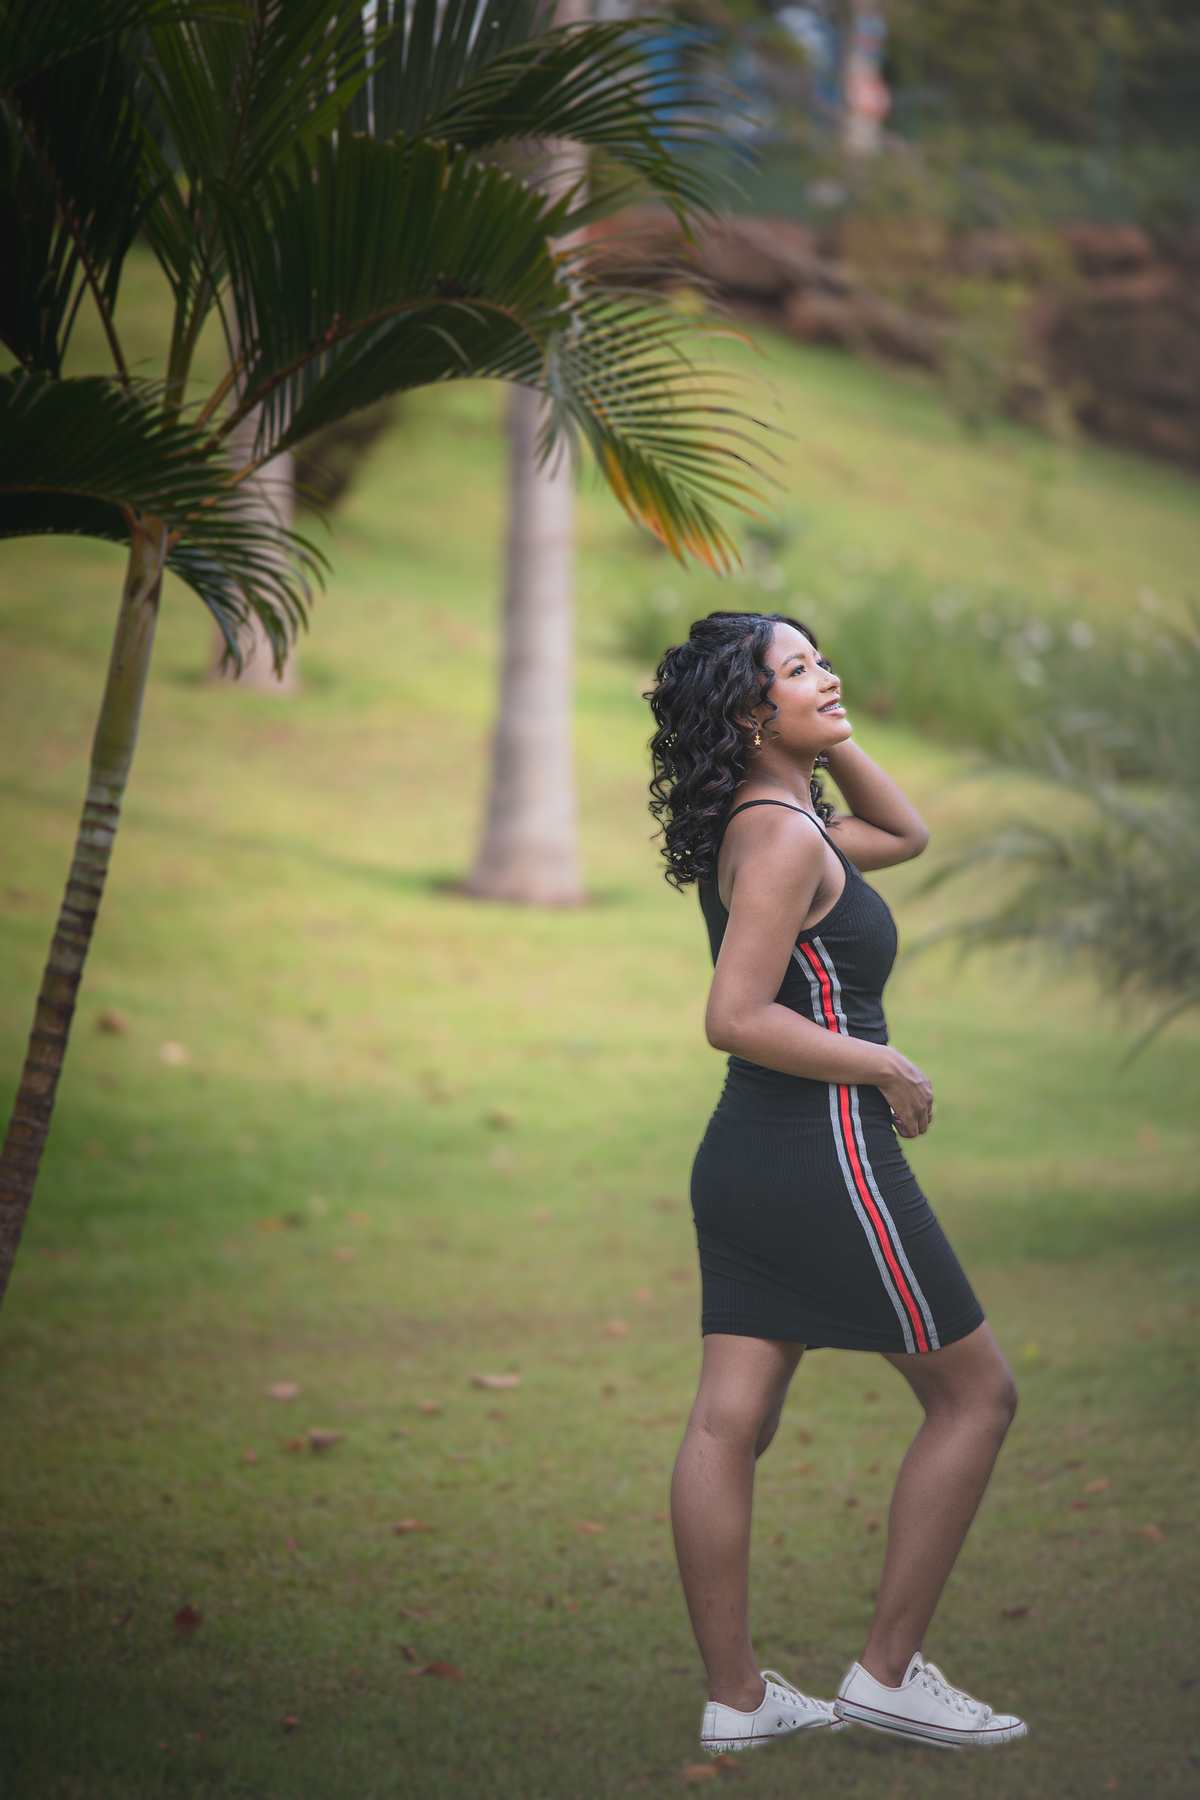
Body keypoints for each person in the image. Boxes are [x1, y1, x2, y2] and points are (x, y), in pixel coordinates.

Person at [646, 610, 1025, 1756]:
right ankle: (886, 1677)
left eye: (822, 660)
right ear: (747, 709)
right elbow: (734, 1015)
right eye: (800, 668)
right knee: (976, 1397)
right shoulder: (782, 840)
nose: (830, 675)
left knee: (729, 1423)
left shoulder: (780, 822)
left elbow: (904, 832)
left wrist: (825, 728)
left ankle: (738, 1702)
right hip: (828, 1157)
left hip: (751, 1160)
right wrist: (884, 1063)